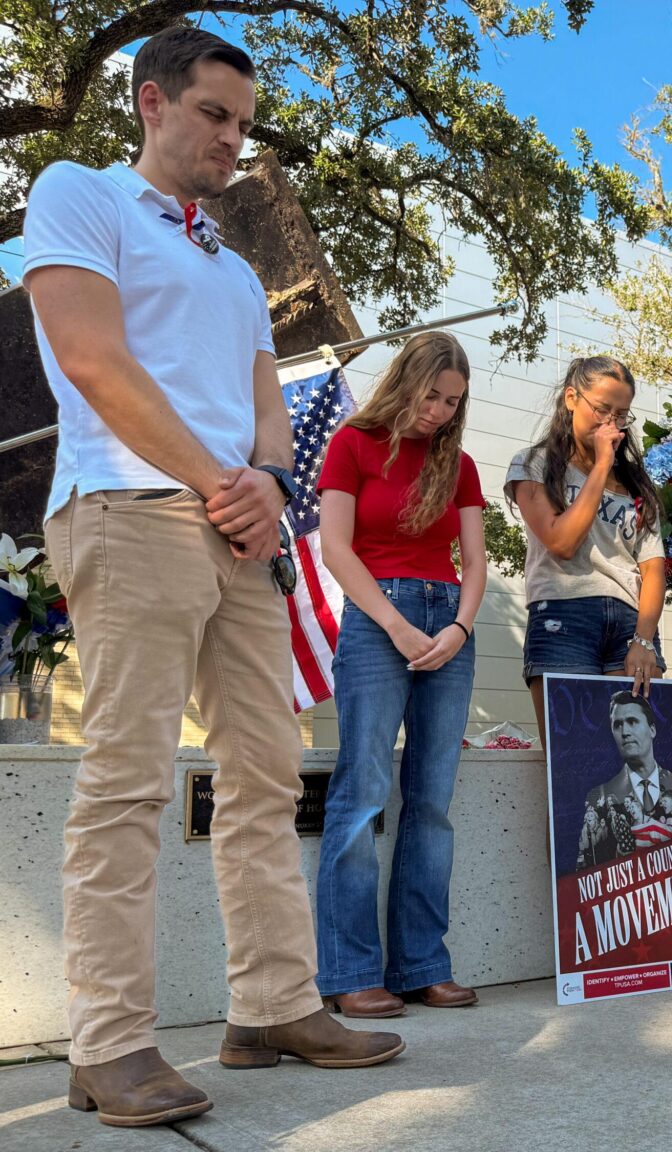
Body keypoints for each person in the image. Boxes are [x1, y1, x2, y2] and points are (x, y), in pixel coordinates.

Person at [23, 27, 401, 1127]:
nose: (234, 140)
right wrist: (216, 481)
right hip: (128, 509)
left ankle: (275, 1005)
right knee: (130, 778)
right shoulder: (79, 195)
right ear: (152, 103)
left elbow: (268, 410)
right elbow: (92, 359)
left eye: (243, 123)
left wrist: (269, 486)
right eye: (214, 116)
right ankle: (109, 1043)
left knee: (268, 776)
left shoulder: (236, 268)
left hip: (243, 537)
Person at [313, 331, 487, 1017]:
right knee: (362, 792)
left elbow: (474, 562)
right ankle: (352, 973)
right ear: (407, 379)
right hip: (377, 620)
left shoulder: (461, 465)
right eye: (434, 395)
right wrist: (395, 624)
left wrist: (459, 629)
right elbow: (334, 547)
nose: (441, 411)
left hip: (449, 621)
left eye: (453, 402)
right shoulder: (352, 443)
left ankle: (421, 964)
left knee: (432, 802)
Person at [506, 356, 665, 744]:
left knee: (628, 763)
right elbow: (562, 542)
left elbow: (654, 568)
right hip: (564, 615)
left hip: (631, 623)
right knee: (571, 763)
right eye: (602, 409)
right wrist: (600, 466)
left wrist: (644, 640)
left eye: (621, 415)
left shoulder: (637, 484)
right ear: (571, 398)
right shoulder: (533, 463)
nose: (611, 423)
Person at [584, 690, 672, 857]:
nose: (625, 732)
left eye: (632, 721)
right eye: (617, 725)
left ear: (652, 730)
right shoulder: (599, 795)